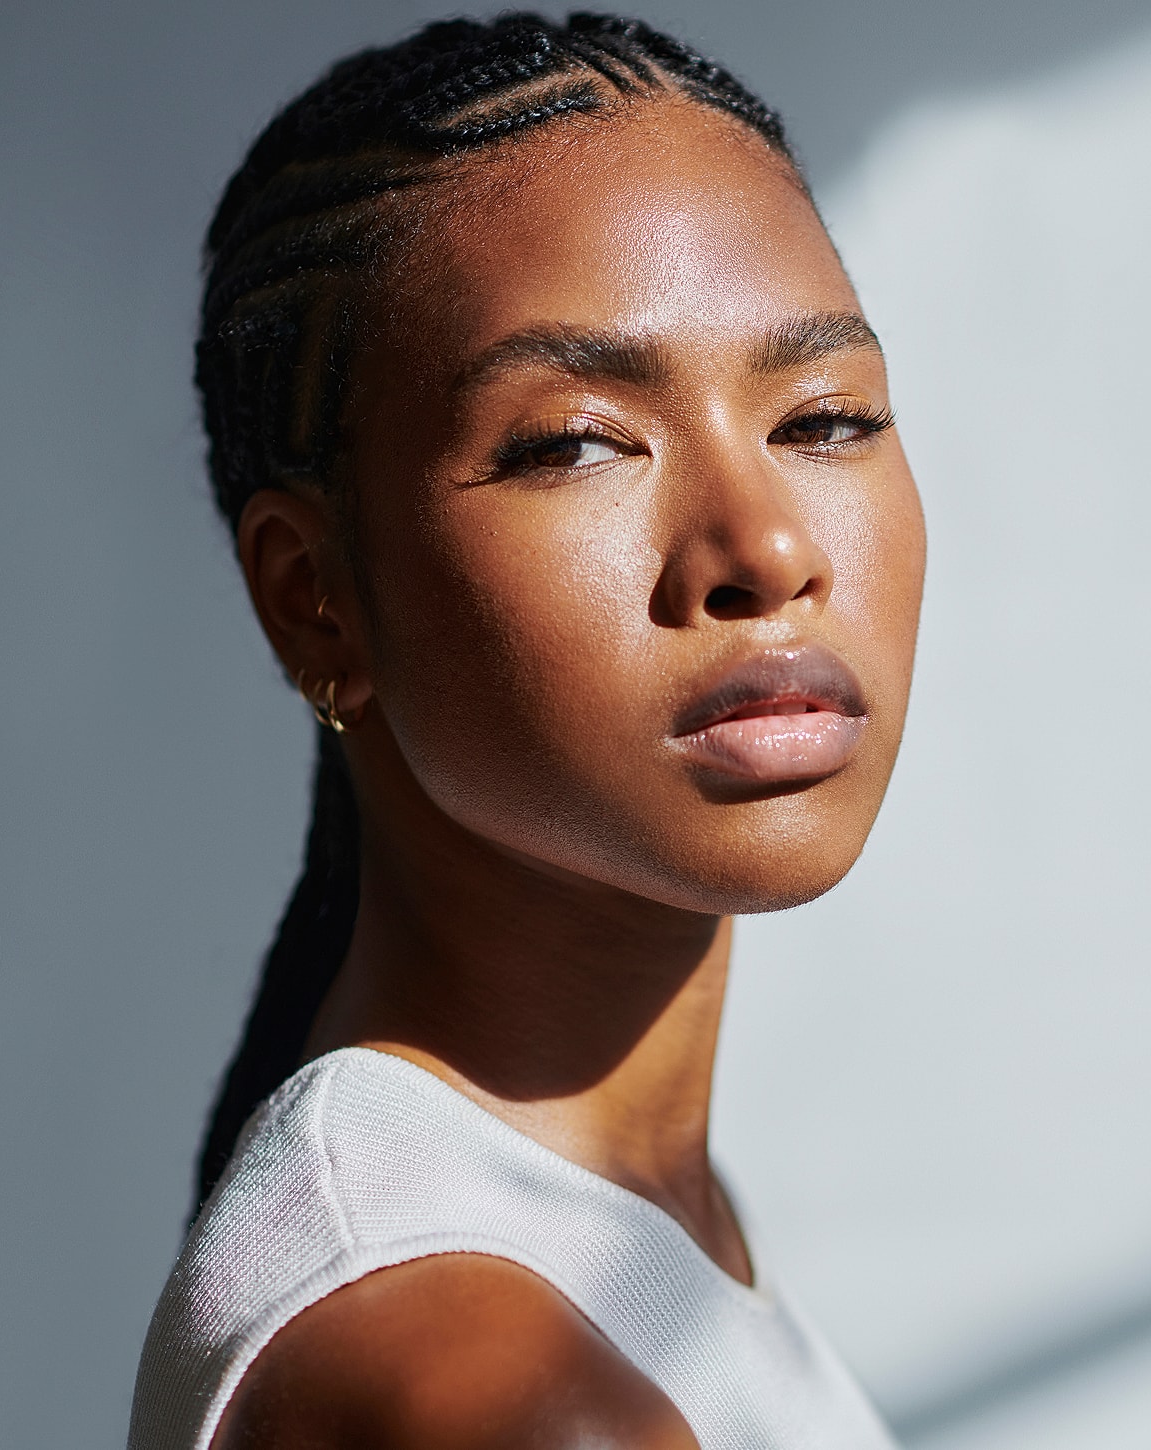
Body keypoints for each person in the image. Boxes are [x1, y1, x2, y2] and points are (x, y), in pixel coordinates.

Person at [128, 12, 925, 1448]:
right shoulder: (503, 1384)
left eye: (823, 417)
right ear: (317, 604)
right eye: (575, 441)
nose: (765, 546)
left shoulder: (598, 1221)